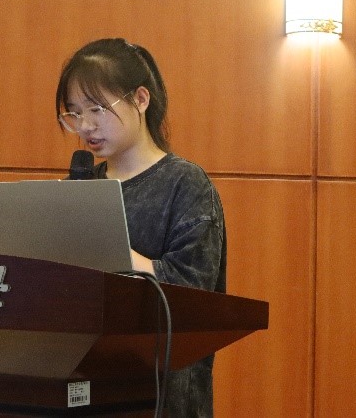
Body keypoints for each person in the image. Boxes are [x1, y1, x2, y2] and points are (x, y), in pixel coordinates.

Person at [55, 38, 227, 417]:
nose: (85, 126)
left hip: (163, 397)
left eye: (97, 109)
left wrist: (113, 252)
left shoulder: (185, 184)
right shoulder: (80, 188)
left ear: (141, 99)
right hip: (84, 388)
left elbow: (195, 297)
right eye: (74, 114)